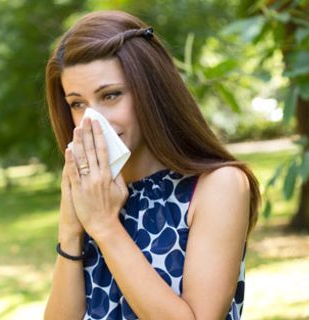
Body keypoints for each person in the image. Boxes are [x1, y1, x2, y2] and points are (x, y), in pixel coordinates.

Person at [43, 11, 260, 320]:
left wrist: (105, 226)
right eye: (78, 104)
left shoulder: (218, 185)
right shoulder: (95, 190)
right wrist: (70, 230)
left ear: (151, 91)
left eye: (111, 95)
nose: (94, 120)